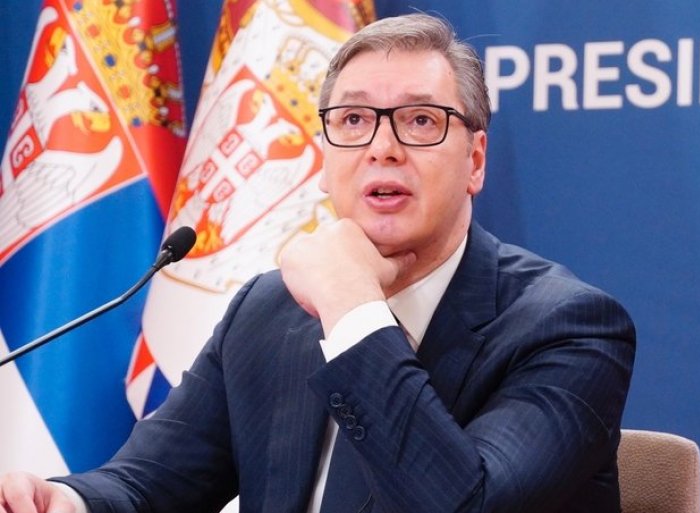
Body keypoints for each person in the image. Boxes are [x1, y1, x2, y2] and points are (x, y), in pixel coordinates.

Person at [0, 13, 635, 513]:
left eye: (420, 120)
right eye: (354, 119)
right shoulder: (267, 311)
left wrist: (352, 307)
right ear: (325, 159)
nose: (383, 147)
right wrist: (66, 501)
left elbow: (462, 503)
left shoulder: (569, 329)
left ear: (474, 161)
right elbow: (149, 484)